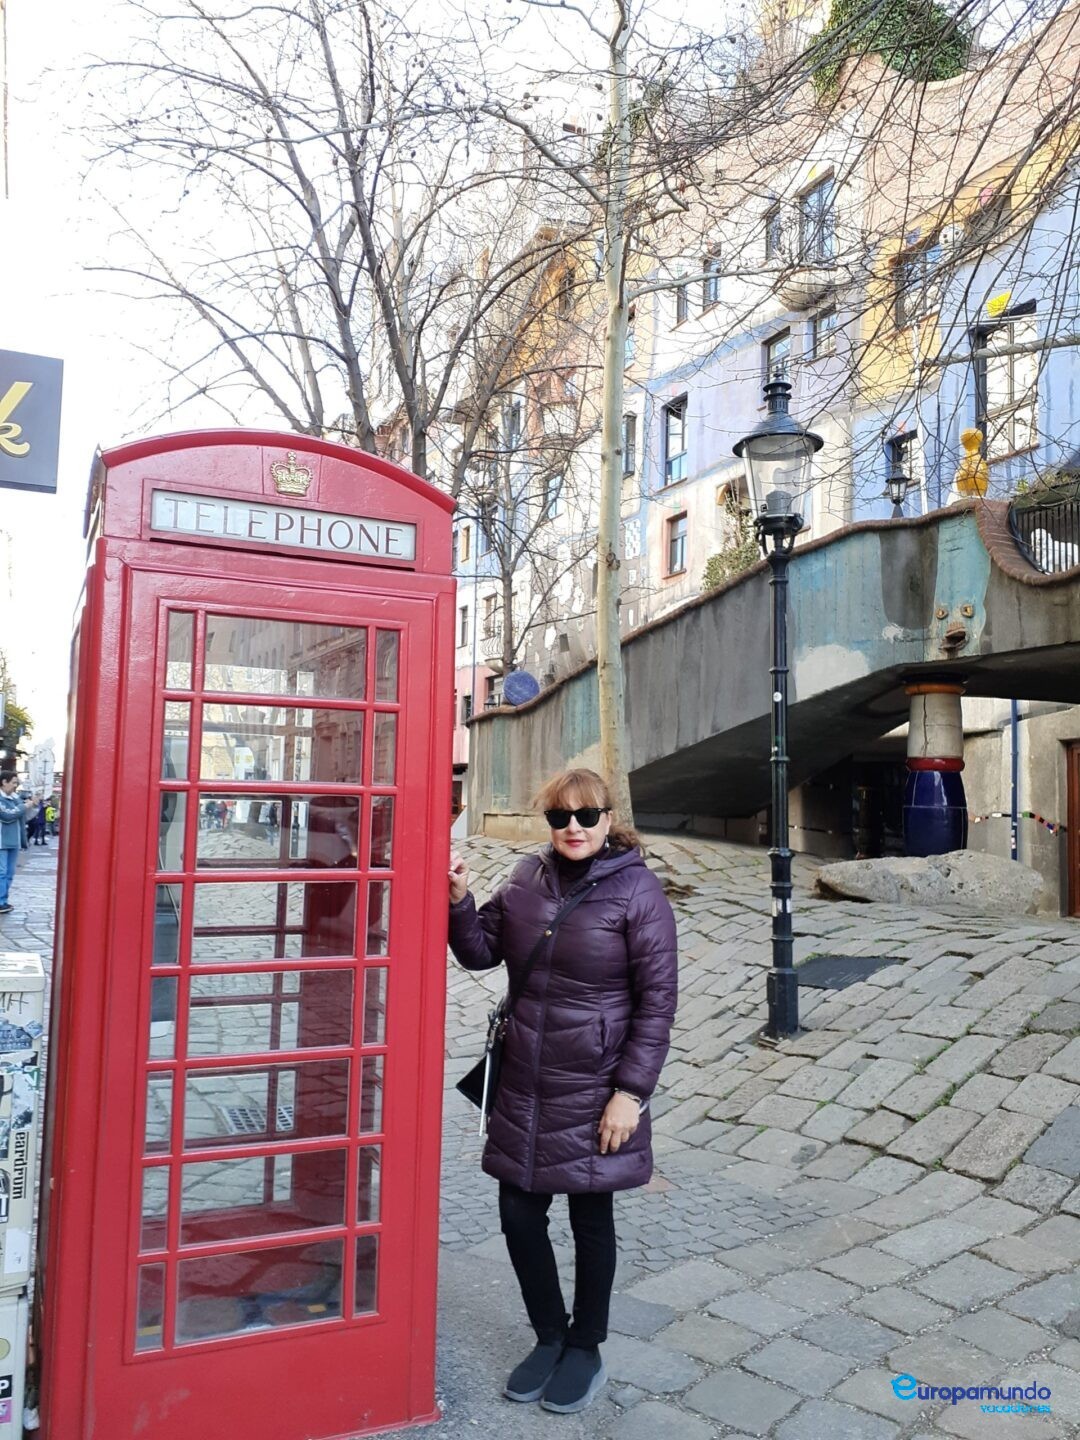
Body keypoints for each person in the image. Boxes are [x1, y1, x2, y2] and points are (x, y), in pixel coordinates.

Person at [448, 768, 677, 1415]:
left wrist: (630, 1094)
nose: (572, 827)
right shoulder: (526, 878)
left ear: (610, 820)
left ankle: (586, 1346)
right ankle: (548, 1335)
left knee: (589, 1217)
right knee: (519, 1212)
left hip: (596, 1083)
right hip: (526, 1076)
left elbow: (658, 1004)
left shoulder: (638, 895)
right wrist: (460, 898)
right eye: (559, 817)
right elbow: (480, 950)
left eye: (586, 815)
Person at [0, 773, 33, 915]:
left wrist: (31, 805)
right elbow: (7, 816)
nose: (16, 785)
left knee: (9, 873)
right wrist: (24, 806)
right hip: (1, 841)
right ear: (4, 782)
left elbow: (24, 816)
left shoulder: (15, 799)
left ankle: (4, 900)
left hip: (14, 841)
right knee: (1, 873)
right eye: (13, 782)